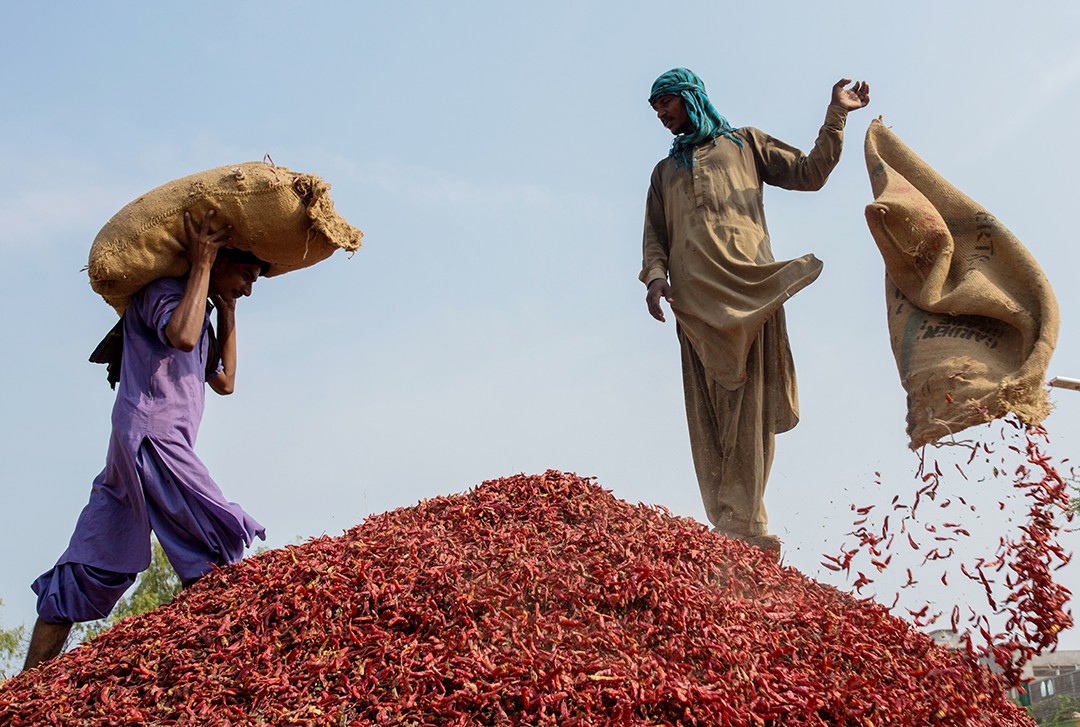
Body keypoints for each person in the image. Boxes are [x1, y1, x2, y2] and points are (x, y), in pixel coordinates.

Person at [23, 209, 269, 669]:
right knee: (212, 541)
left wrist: (229, 308)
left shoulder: (205, 312)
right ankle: (225, 667)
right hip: (153, 438)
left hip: (133, 446)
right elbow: (179, 335)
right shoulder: (163, 293)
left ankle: (20, 689)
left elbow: (226, 381)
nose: (250, 287)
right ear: (216, 260)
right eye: (246, 274)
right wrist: (201, 265)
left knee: (93, 561)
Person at [640, 68, 870, 557]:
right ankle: (728, 521)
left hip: (749, 290)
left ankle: (745, 522)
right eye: (655, 108)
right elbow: (655, 236)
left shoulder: (744, 144)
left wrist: (836, 116)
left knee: (749, 405)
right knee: (707, 413)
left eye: (666, 104)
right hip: (695, 305)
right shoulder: (664, 173)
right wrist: (656, 279)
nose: (661, 115)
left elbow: (809, 173)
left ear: (690, 97)